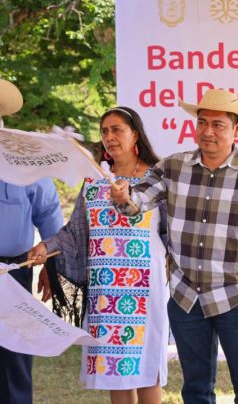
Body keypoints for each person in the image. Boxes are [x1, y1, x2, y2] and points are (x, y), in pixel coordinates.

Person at [109, 89, 238, 404]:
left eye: (218, 125)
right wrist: (124, 197)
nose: (207, 131)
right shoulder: (172, 167)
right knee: (195, 390)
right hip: (185, 296)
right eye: (202, 122)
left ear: (237, 130)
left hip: (237, 296)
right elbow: (139, 200)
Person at [29, 106, 169, 404]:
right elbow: (75, 232)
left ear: (135, 135)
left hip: (145, 286)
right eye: (104, 131)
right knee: (115, 369)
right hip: (105, 288)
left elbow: (175, 232)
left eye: (116, 129)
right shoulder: (93, 180)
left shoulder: (157, 178)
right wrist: (47, 246)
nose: (109, 137)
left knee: (147, 367)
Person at [0, 78, 64, 404]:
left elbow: (49, 214)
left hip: (14, 271)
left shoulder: (24, 157)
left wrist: (51, 270)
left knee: (14, 358)